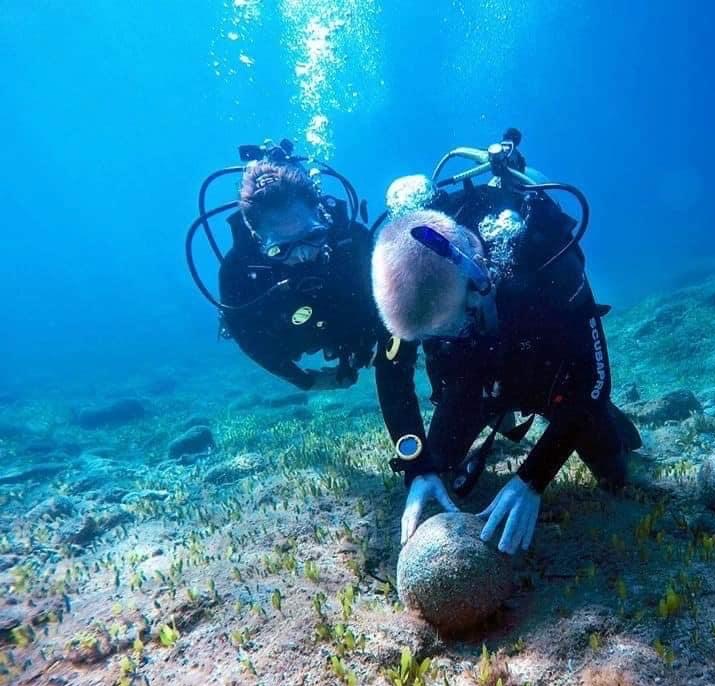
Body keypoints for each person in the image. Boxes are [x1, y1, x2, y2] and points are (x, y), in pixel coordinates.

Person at [371, 131, 641, 555]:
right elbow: (390, 369)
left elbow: (593, 378)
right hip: (473, 382)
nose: (445, 340)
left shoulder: (544, 258)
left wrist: (533, 478)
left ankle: (613, 430)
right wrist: (417, 466)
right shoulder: (408, 284)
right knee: (437, 465)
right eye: (429, 338)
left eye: (452, 325)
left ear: (478, 280)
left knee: (615, 475)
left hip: (553, 377)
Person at [186, 139, 437, 489]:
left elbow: (392, 334)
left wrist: (416, 461)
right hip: (293, 333)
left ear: (321, 213)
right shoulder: (238, 271)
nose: (302, 256)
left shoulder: (353, 243)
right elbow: (250, 339)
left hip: (356, 327)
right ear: (256, 236)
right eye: (280, 248)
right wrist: (305, 380)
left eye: (312, 237)